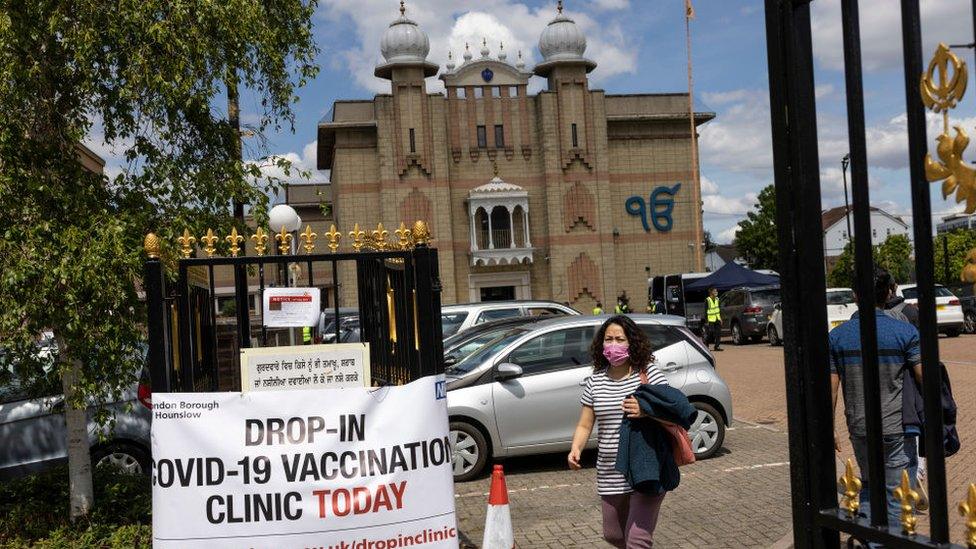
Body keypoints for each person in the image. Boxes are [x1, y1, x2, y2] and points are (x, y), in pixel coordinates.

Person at [830, 268, 923, 530]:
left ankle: (871, 540)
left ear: (855, 296)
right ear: (889, 293)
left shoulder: (837, 336)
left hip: (859, 426)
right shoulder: (904, 332)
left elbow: (832, 388)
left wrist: (831, 428)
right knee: (895, 492)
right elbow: (923, 377)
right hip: (895, 426)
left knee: (869, 486)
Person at [568, 315, 670, 548]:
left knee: (636, 541)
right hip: (610, 471)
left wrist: (646, 410)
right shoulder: (595, 382)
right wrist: (576, 448)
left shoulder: (647, 374)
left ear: (631, 343)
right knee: (614, 535)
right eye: (608, 339)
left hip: (645, 468)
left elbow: (672, 409)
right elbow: (585, 424)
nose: (613, 345)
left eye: (620, 339)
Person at [705, 288, 722, 352]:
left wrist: (720, 318)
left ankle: (717, 346)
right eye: (715, 291)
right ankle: (706, 345)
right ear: (711, 292)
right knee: (710, 333)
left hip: (717, 318)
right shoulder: (707, 300)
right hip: (710, 319)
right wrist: (706, 321)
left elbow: (719, 310)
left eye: (716, 291)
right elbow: (705, 311)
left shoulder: (718, 299)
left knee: (718, 333)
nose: (716, 292)